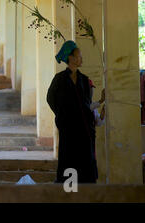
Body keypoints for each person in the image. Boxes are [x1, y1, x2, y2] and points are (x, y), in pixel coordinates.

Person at [47, 40, 98, 183]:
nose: (82, 59)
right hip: (68, 129)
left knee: (85, 160)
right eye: (79, 56)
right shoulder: (59, 79)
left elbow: (87, 103)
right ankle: (70, 192)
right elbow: (50, 98)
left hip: (84, 129)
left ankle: (85, 192)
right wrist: (62, 116)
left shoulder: (84, 80)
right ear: (71, 58)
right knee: (69, 159)